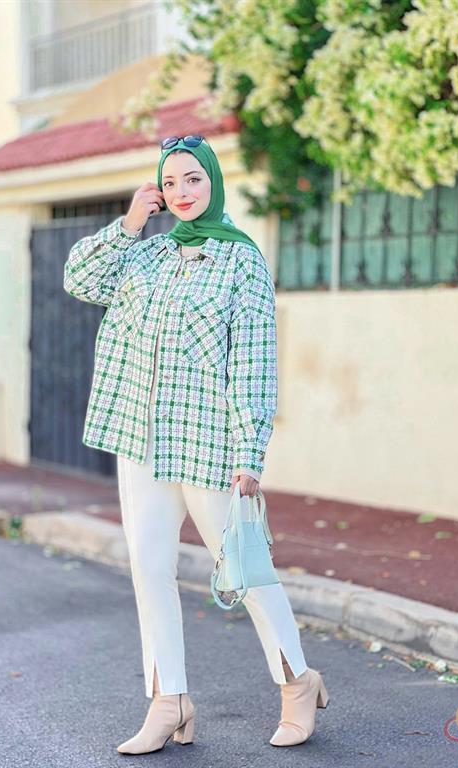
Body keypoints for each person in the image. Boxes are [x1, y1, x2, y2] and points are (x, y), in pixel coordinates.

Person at [63, 136, 329, 754]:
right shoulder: (145, 255)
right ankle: (169, 701)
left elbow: (254, 363)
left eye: (193, 180)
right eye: (170, 182)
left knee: (243, 570)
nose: (182, 192)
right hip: (140, 438)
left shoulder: (242, 261)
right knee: (149, 569)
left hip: (208, 441)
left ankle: (297, 682)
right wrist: (131, 222)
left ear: (213, 182)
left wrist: (249, 454)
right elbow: (80, 278)